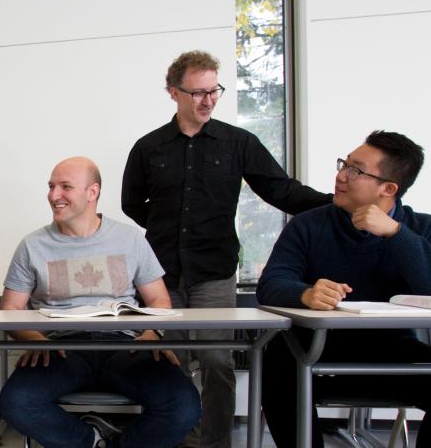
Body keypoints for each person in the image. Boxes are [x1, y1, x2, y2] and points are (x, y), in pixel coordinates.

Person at [121, 50, 332, 447]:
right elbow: (131, 203)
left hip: (214, 271)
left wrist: (334, 204)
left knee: (218, 361)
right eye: (197, 92)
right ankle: (176, 438)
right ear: (174, 92)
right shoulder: (149, 147)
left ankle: (216, 443)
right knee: (168, 361)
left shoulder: (238, 143)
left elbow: (280, 190)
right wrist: (168, 228)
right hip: (161, 274)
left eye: (214, 90)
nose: (208, 100)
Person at [256, 131, 431, 447]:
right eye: (344, 164)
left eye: (355, 170)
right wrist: (305, 293)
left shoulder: (424, 228)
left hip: (393, 352)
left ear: (388, 188)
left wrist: (396, 233)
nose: (341, 175)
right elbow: (272, 283)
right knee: (279, 361)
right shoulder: (308, 225)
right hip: (316, 349)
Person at [0, 156, 201, 448]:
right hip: (60, 349)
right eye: (51, 186)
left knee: (184, 406)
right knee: (16, 402)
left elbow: (158, 299)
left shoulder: (130, 239)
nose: (54, 195)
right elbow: (11, 308)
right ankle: (91, 440)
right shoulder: (32, 245)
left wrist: (152, 333)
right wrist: (33, 338)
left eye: (65, 186)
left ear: (92, 192)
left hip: (126, 345)